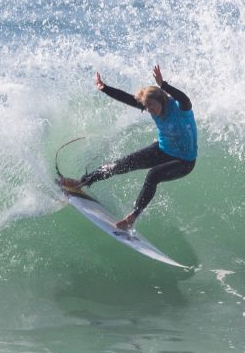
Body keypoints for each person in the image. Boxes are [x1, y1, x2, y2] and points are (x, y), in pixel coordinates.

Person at [60, 65, 197, 230]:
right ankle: (81, 182)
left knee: (153, 175)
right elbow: (127, 98)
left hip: (184, 161)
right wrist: (104, 88)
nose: (149, 110)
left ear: (161, 100)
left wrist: (164, 85)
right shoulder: (151, 107)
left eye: (151, 106)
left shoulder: (180, 108)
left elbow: (185, 98)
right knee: (118, 165)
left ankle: (133, 216)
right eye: (146, 107)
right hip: (162, 150)